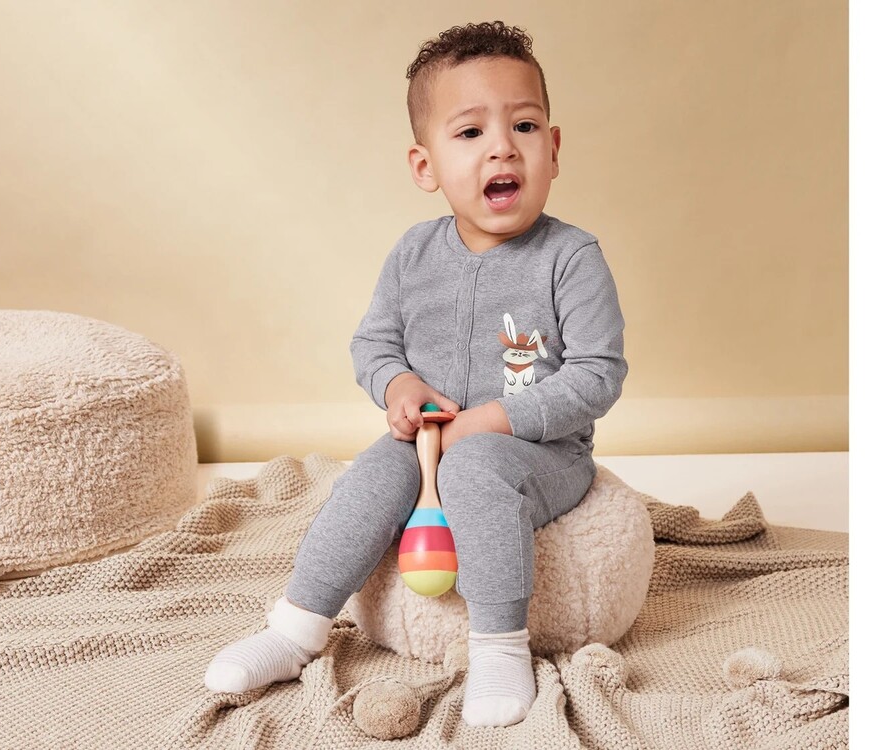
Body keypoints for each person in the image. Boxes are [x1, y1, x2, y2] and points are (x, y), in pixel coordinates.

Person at [204, 20, 628, 728]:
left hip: (542, 453)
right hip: (428, 438)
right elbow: (374, 344)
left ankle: (499, 645)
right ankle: (297, 627)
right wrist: (398, 388)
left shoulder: (571, 258)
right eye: (471, 132)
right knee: (371, 475)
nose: (502, 146)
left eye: (524, 126)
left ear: (553, 150)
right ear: (426, 166)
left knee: (477, 470)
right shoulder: (413, 254)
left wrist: (492, 421)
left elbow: (597, 375)